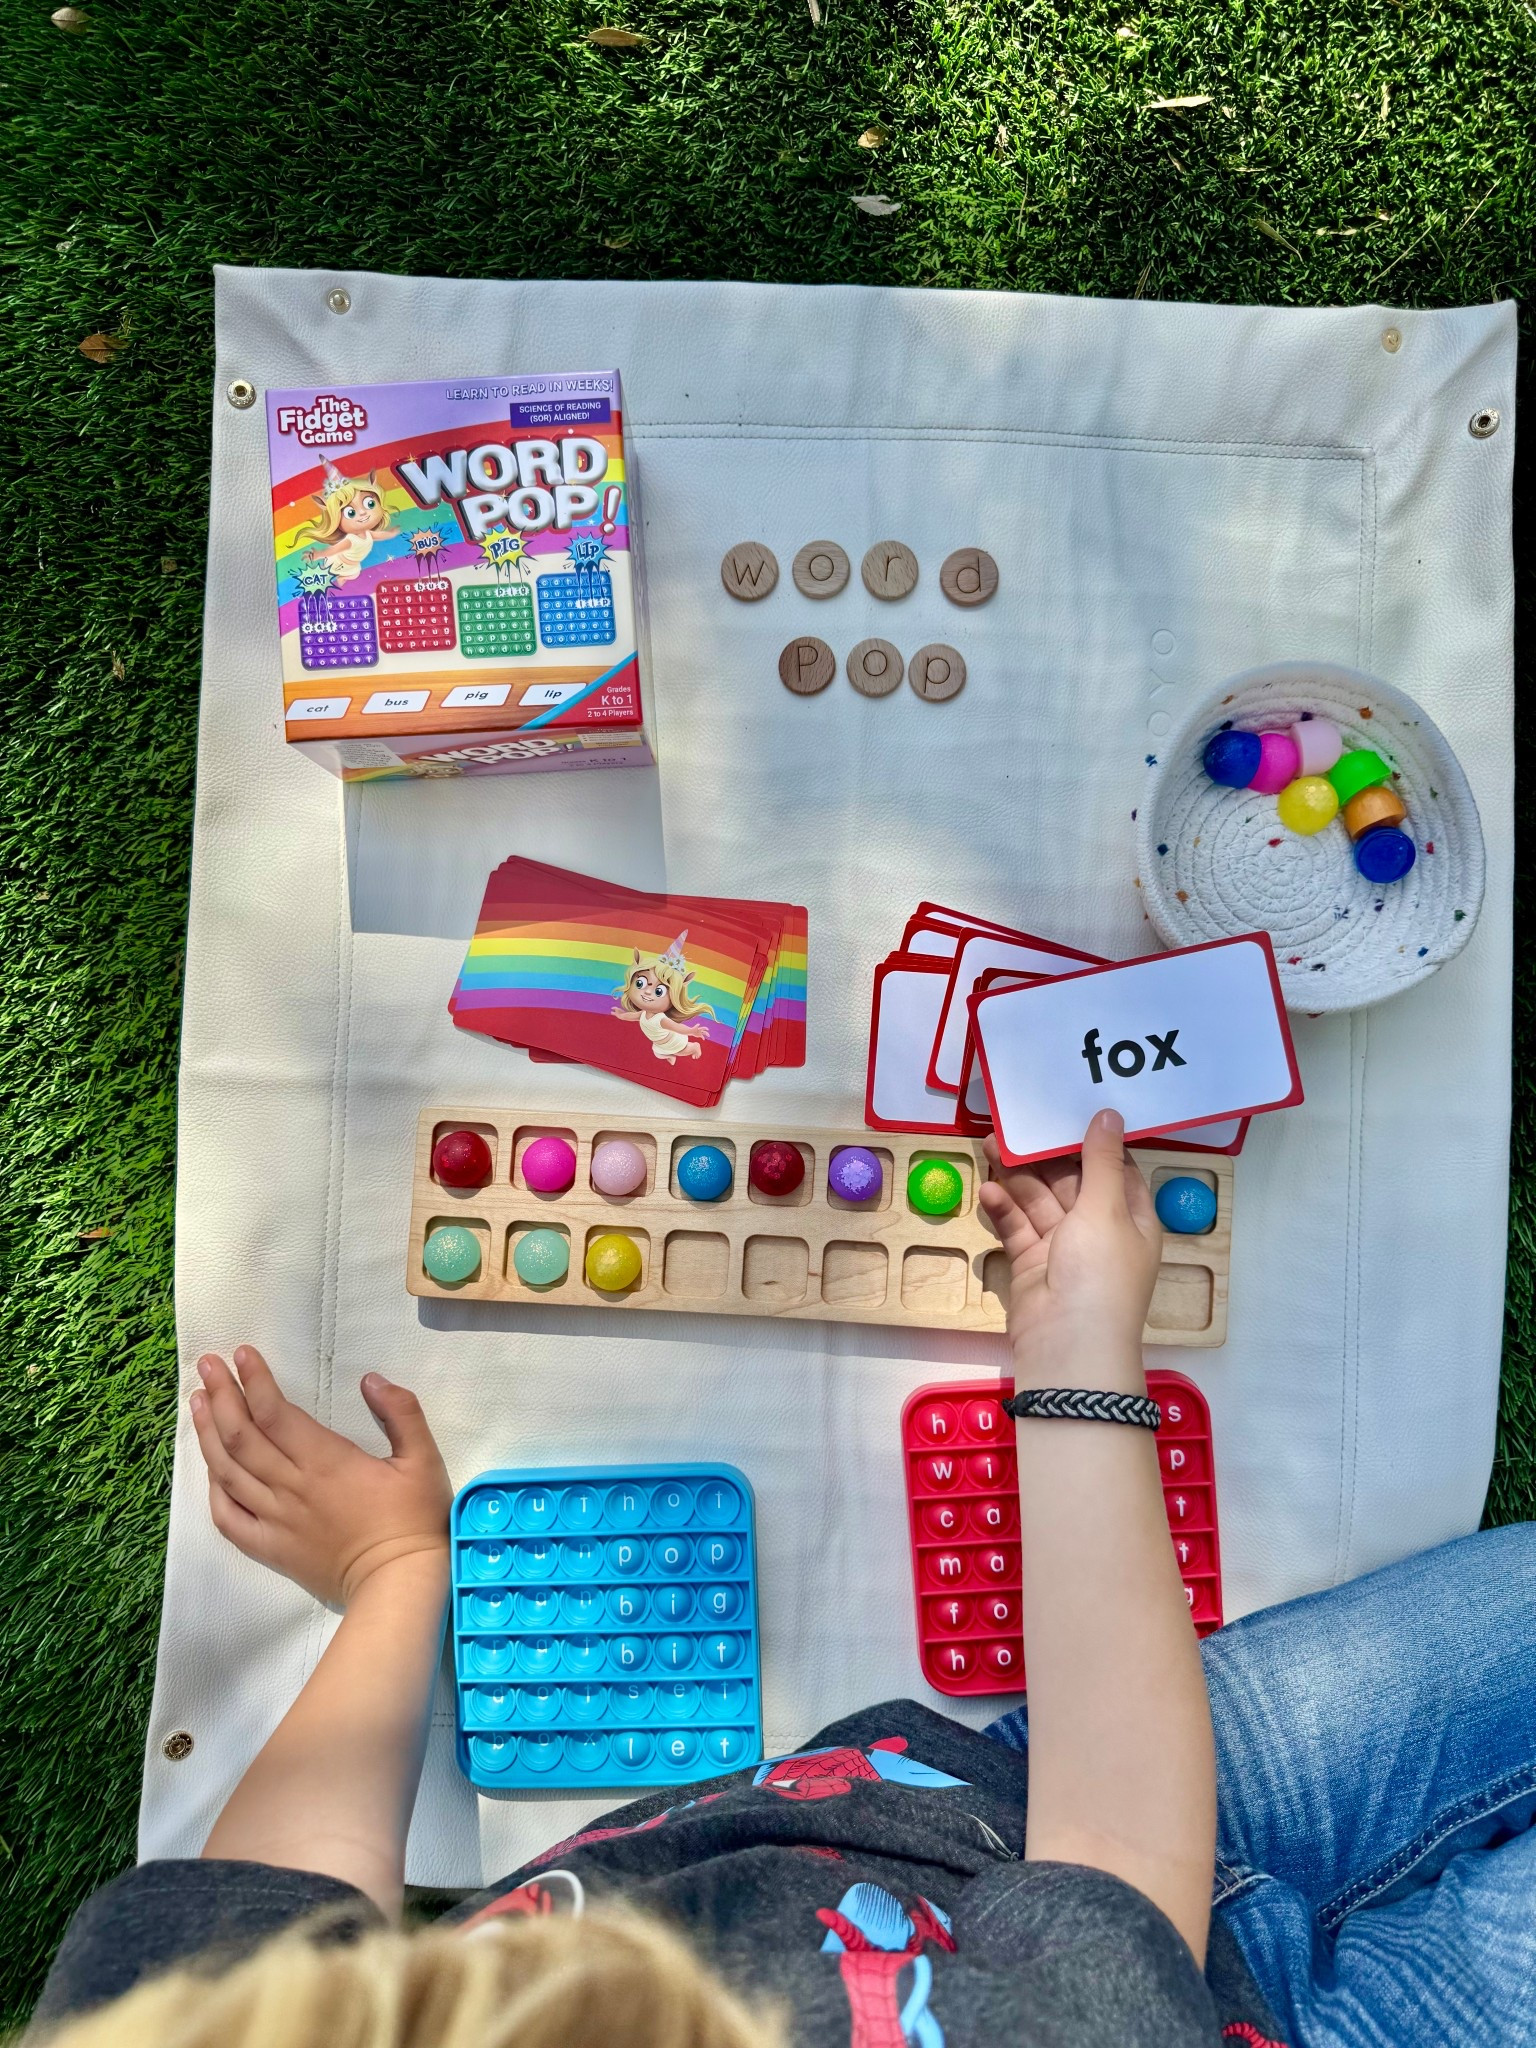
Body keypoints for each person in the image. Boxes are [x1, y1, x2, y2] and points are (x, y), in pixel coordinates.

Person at [24, 1112, 1536, 2047]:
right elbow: (1120, 1848)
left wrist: (397, 1567)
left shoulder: (180, 2037)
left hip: (1006, 1813)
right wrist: (1077, 1365)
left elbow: (269, 1912)